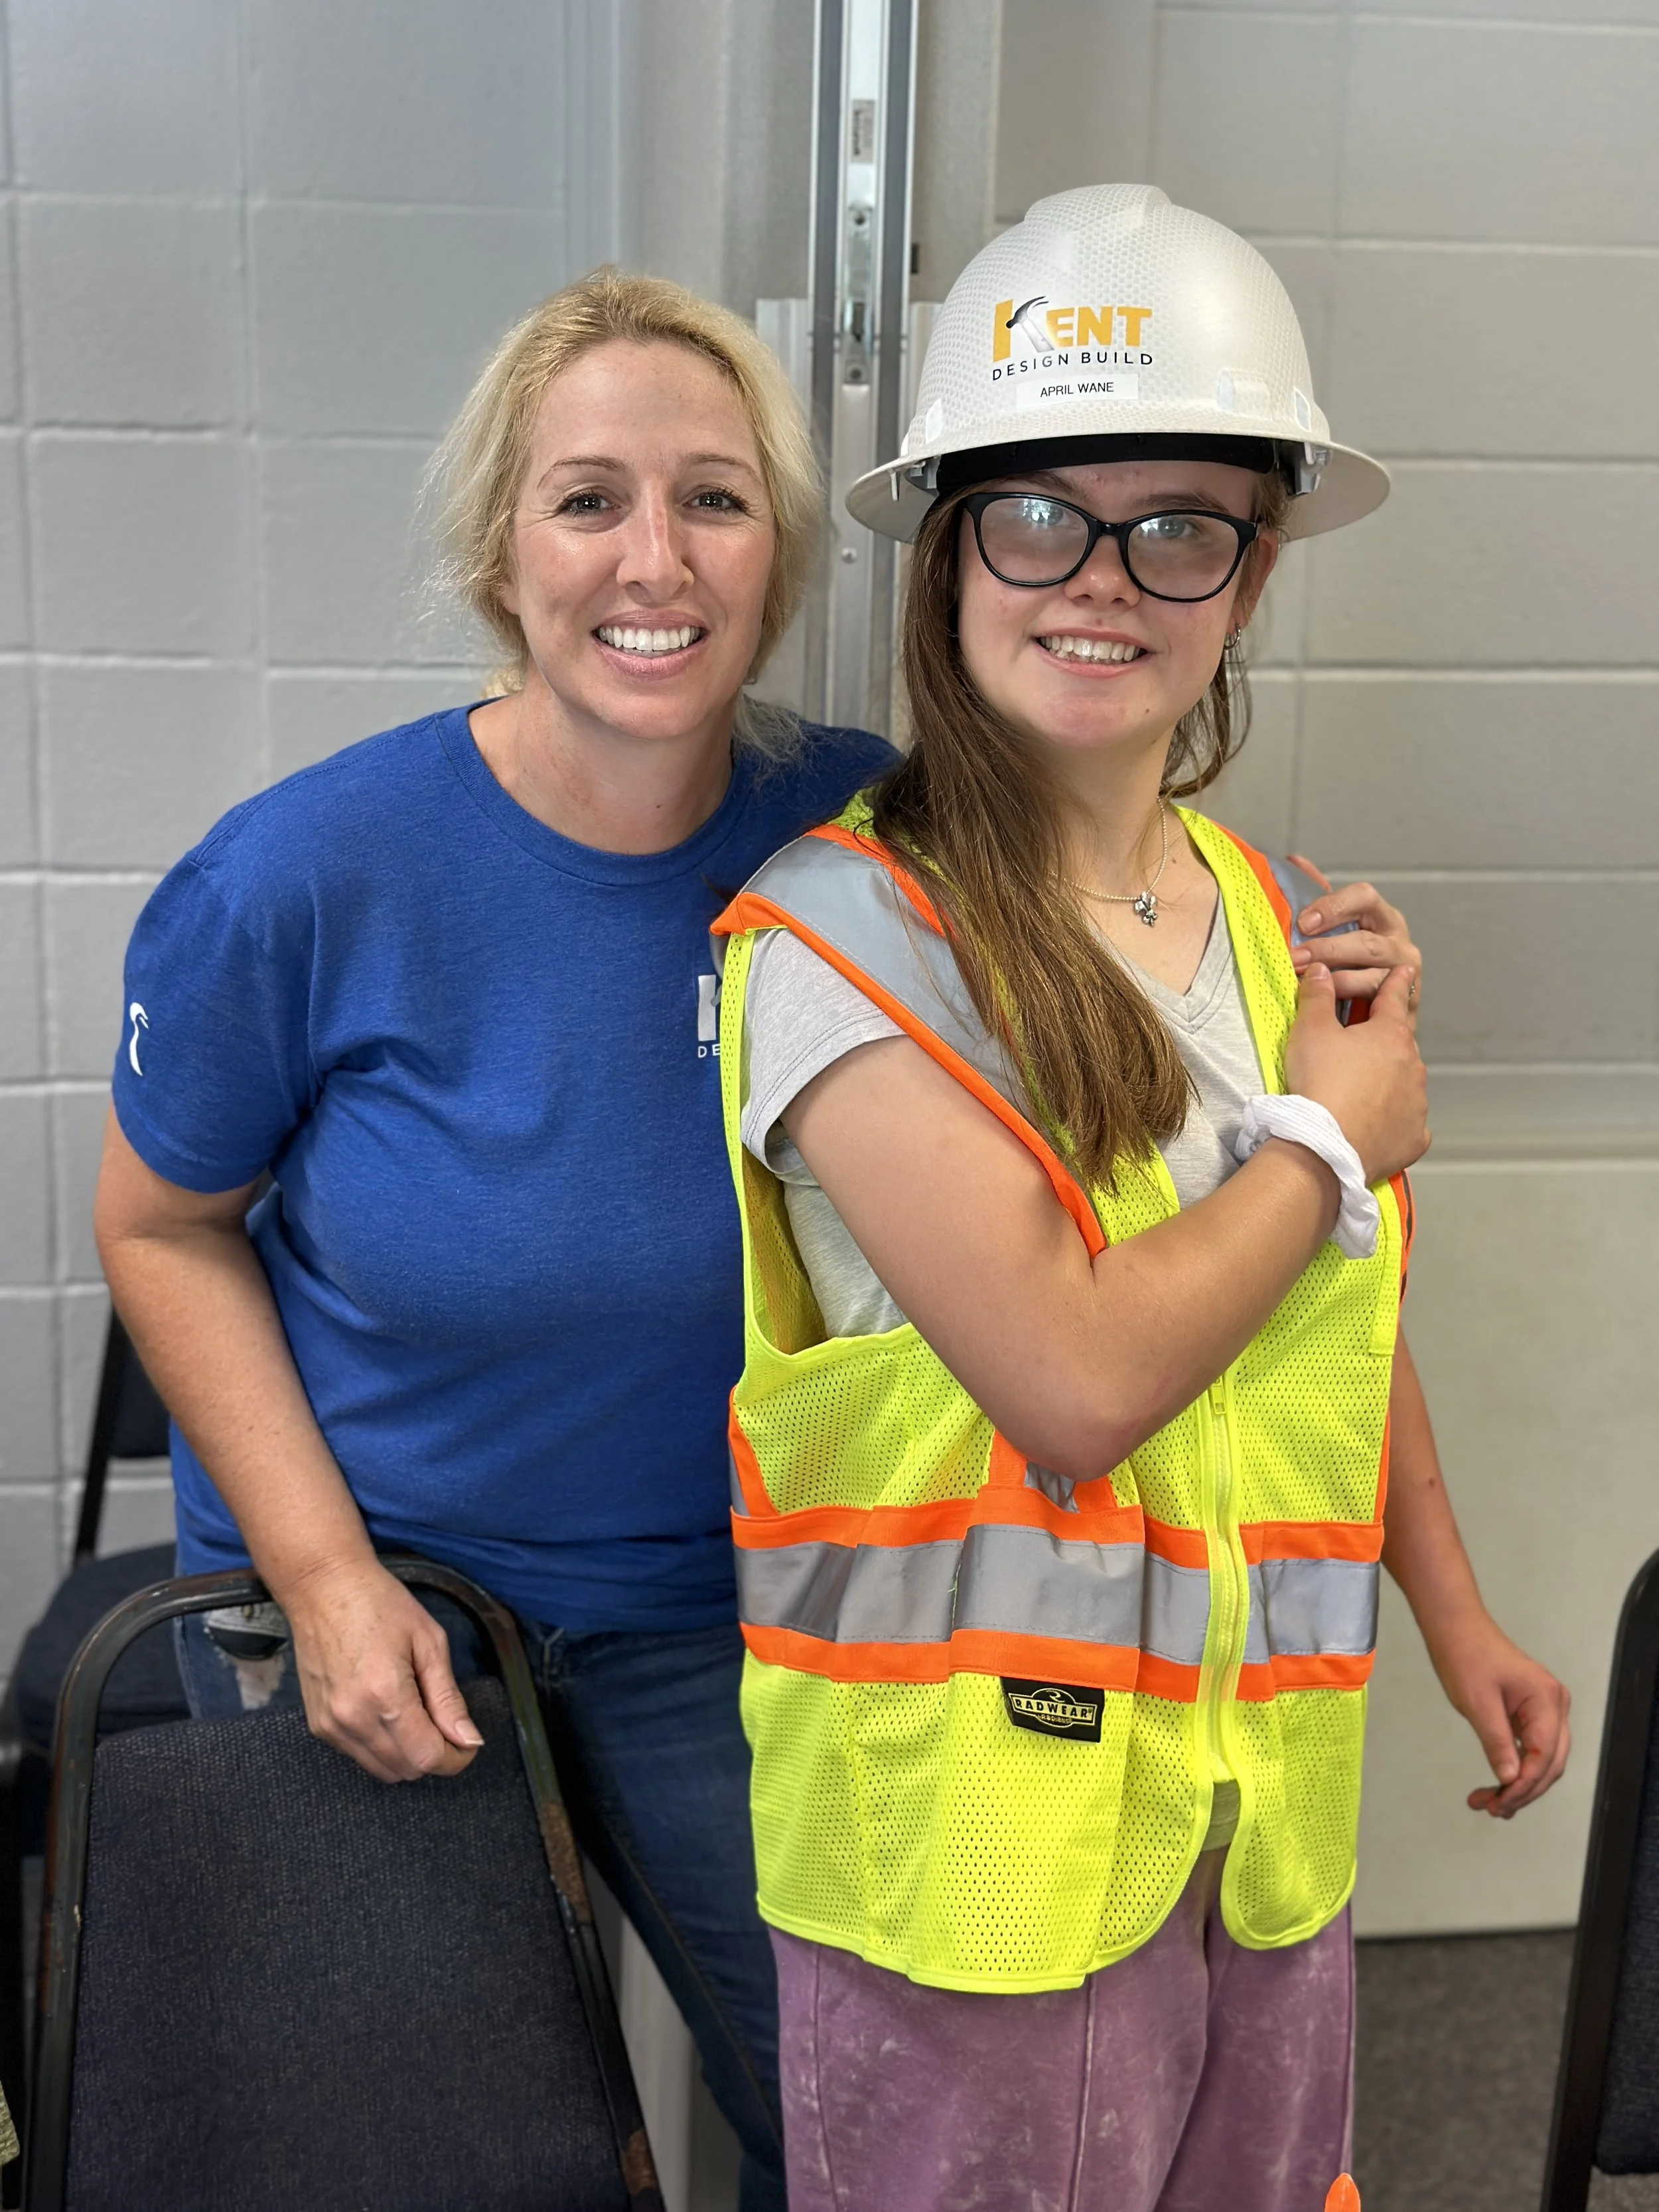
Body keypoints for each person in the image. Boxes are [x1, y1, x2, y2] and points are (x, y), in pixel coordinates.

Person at [711, 185, 1571, 2212]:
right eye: (1037, 516)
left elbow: (1333, 1325)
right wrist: (1329, 1138)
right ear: (949, 550)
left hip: (1252, 1809)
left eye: (1177, 523)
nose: (1101, 579)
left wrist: (1453, 1615)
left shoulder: (1278, 925)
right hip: (973, 1857)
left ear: (1252, 566)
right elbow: (1073, 1380)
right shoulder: (837, 946)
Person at [91, 268, 898, 2211]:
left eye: (713, 496)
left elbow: (1106, 928)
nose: (654, 557)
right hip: (389, 1600)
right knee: (432, 2159)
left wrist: (1303, 962)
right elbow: (160, 1224)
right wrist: (325, 1579)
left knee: (880, 2121)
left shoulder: (869, 831)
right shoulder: (306, 870)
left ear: (776, 549)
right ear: (497, 548)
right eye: (587, 497)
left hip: (734, 1606)